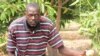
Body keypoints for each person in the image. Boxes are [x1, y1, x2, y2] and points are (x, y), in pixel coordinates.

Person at [7, 3, 85, 56]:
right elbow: (11, 51)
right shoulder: (15, 26)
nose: (33, 18)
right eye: (30, 15)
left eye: (36, 15)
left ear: (40, 15)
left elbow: (61, 48)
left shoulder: (48, 25)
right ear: (25, 14)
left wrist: (77, 53)